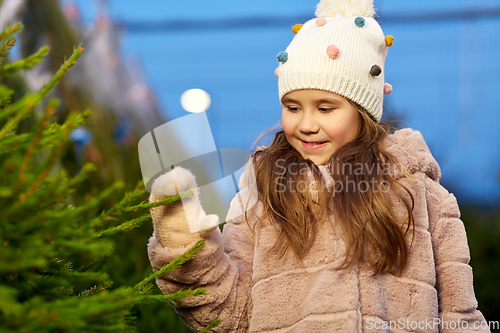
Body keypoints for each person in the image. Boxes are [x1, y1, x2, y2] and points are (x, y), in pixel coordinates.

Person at [147, 0, 490, 331]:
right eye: (293, 107)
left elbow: (461, 317)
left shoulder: (423, 196)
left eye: (326, 108)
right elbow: (231, 315)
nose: (306, 124)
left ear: (363, 112)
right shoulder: (263, 196)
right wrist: (184, 247)